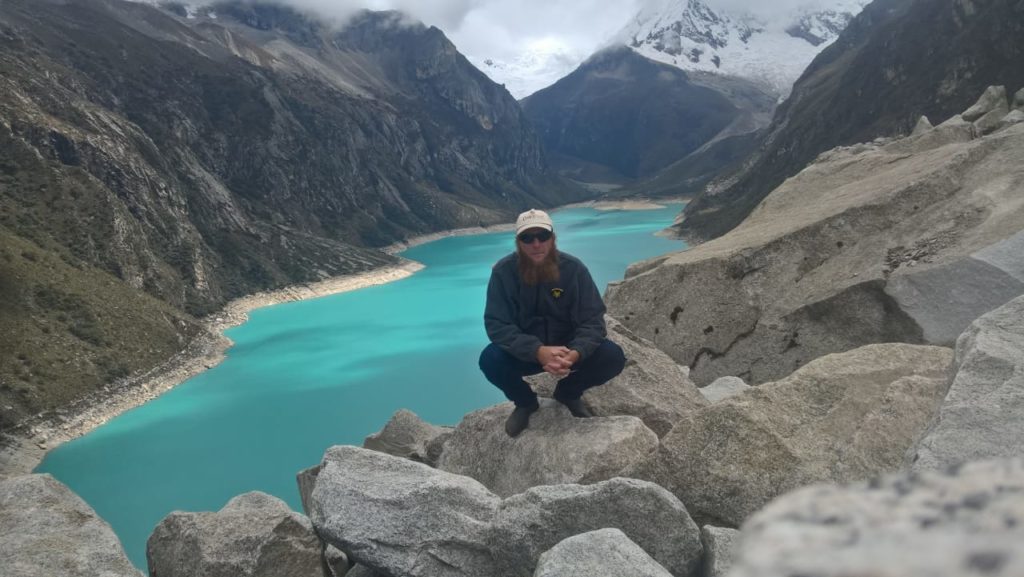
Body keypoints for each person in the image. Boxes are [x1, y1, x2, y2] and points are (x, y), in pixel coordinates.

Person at [479, 209, 626, 437]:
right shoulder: (503, 272)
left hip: (568, 350)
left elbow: (593, 320)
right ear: (518, 242)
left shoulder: (574, 270)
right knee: (490, 360)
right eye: (527, 238)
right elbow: (497, 324)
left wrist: (576, 352)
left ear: (552, 238)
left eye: (542, 236)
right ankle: (526, 402)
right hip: (527, 353)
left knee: (613, 356)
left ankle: (568, 393)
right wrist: (537, 351)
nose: (536, 244)